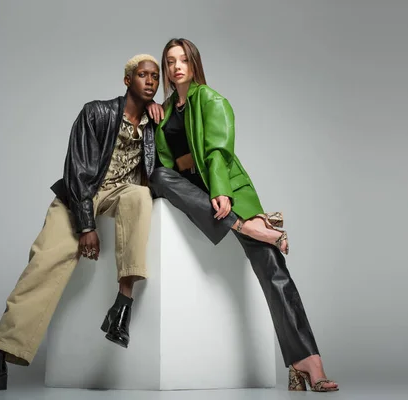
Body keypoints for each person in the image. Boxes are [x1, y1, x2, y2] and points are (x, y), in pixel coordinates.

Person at [0, 54, 161, 392]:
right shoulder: (96, 112)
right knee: (43, 263)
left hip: (120, 193)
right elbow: (76, 171)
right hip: (80, 195)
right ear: (127, 81)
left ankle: (122, 305)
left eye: (155, 76)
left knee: (139, 195)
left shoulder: (154, 126)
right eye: (142, 75)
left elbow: (173, 165)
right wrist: (87, 226)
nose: (150, 81)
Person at [146, 38, 338, 392]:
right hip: (190, 192)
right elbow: (164, 165)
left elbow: (218, 151)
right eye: (169, 61)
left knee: (273, 269)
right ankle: (251, 228)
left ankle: (308, 361)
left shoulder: (212, 100)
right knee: (158, 176)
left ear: (193, 63)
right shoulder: (166, 110)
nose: (176, 66)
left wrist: (220, 191)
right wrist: (152, 111)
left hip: (222, 187)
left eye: (182, 59)